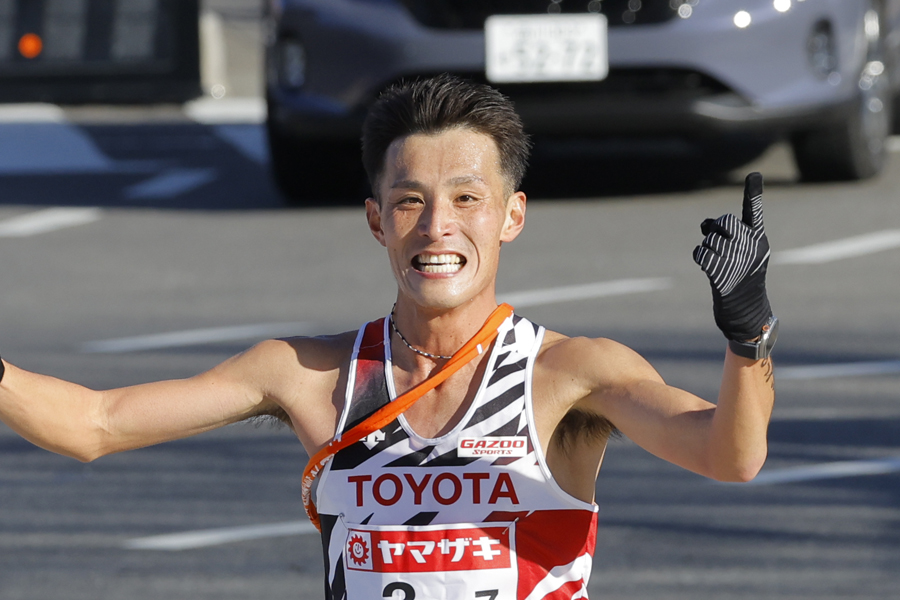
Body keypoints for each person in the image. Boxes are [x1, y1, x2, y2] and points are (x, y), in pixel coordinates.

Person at [0, 74, 777, 600]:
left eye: (467, 198)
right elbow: (93, 425)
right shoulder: (308, 376)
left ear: (511, 215)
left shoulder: (571, 374)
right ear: (377, 220)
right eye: (410, 201)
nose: (438, 228)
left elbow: (728, 455)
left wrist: (749, 341)